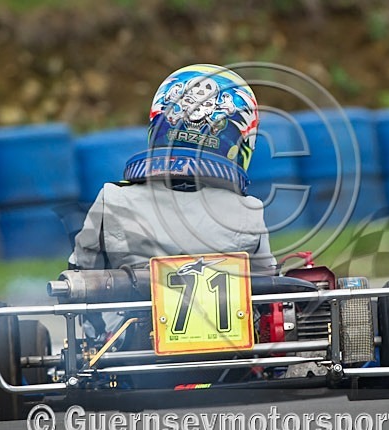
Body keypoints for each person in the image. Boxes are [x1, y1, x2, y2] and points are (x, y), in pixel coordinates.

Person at [69, 64, 276, 340]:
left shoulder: (115, 198)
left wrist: (96, 338)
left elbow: (81, 273)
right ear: (238, 139)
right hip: (231, 358)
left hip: (133, 353)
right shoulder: (248, 210)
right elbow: (268, 289)